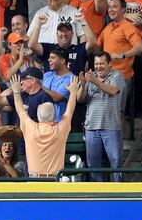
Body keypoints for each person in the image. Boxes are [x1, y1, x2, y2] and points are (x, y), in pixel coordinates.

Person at [10, 73, 79, 177]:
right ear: (54, 115)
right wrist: (73, 93)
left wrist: (16, 91)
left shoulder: (30, 128)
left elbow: (20, 109)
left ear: (38, 115)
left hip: (34, 180)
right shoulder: (60, 129)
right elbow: (69, 111)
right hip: (54, 181)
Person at [77, 52, 125, 181]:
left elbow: (113, 90)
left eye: (102, 63)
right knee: (93, 164)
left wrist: (95, 81)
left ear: (110, 64)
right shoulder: (90, 78)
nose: (98, 66)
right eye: (96, 64)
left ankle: (119, 192)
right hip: (91, 127)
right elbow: (80, 99)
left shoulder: (117, 75)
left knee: (116, 162)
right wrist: (82, 85)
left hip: (111, 127)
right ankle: (97, 193)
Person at [97, 0, 142, 109]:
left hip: (122, 76)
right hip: (105, 76)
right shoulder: (108, 27)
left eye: (115, 7)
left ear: (123, 10)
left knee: (118, 111)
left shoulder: (128, 27)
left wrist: (123, 55)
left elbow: (140, 48)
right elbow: (96, 47)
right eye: (110, 7)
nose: (111, 10)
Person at [41, 47, 75, 122]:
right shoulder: (47, 75)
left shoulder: (71, 79)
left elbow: (56, 97)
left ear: (62, 60)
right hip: (42, 120)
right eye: (49, 57)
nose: (49, 60)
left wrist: (39, 86)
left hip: (58, 122)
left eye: (52, 58)